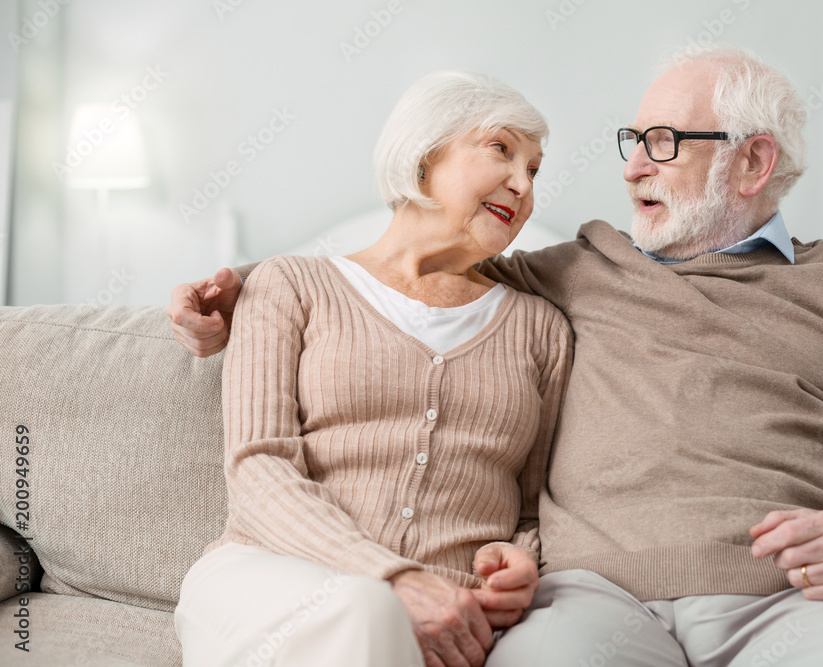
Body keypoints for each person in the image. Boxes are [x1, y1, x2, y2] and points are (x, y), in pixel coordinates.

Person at [170, 45, 823, 666]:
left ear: (754, 161)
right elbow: (417, 268)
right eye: (631, 138)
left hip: (790, 603)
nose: (633, 163)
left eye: (665, 141)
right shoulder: (583, 264)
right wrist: (238, 294)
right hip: (593, 601)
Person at [169, 70, 573, 667]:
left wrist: (520, 559)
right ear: (424, 154)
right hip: (270, 575)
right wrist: (394, 579)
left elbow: (535, 505)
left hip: (450, 610)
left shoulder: (541, 329)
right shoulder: (289, 286)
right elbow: (259, 469)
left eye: (534, 170)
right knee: (364, 613)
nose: (522, 183)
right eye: (501, 150)